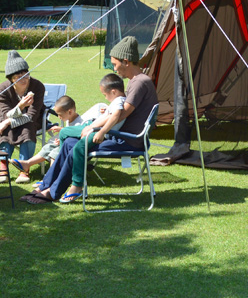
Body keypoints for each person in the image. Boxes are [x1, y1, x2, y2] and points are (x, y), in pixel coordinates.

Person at [24, 36, 157, 204]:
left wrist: (95, 128)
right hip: (118, 135)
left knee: (75, 148)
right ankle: (46, 185)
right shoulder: (135, 81)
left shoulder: (139, 83)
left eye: (115, 64)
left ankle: (57, 191)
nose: (114, 69)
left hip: (126, 140)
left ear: (126, 61)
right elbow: (117, 112)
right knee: (68, 144)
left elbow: (120, 115)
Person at [0, 50, 45, 184]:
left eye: (26, 74)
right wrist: (20, 106)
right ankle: (3, 168)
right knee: (4, 129)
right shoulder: (3, 89)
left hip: (33, 120)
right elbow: (6, 113)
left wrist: (8, 121)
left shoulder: (37, 86)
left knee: (26, 128)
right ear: (11, 79)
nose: (24, 79)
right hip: (9, 118)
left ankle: (24, 168)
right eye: (18, 76)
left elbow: (32, 115)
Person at [7, 95, 82, 176]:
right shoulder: (70, 119)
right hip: (65, 145)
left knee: (55, 152)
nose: (59, 117)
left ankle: (51, 177)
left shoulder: (79, 123)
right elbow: (70, 133)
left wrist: (62, 136)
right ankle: (27, 164)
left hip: (73, 148)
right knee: (48, 147)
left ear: (70, 112)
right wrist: (61, 131)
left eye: (60, 115)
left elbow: (77, 138)